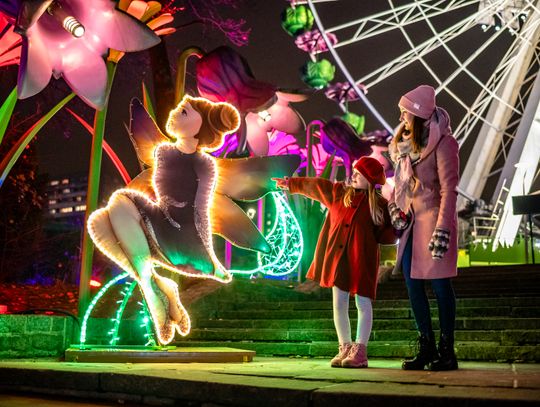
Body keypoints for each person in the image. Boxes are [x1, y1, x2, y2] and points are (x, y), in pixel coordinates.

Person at [274, 156, 396, 368]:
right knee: (338, 303)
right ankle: (344, 346)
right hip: (338, 259)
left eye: (359, 174)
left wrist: (399, 222)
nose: (354, 175)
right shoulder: (339, 193)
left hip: (362, 260)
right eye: (355, 172)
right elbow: (318, 186)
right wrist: (292, 184)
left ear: (370, 180)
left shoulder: (380, 205)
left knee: (362, 303)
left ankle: (360, 351)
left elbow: (387, 236)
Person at [388, 85, 460, 371]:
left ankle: (447, 350)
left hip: (433, 224)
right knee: (412, 286)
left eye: (405, 112)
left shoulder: (444, 144)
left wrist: (443, 230)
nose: (401, 118)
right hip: (411, 225)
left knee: (441, 286)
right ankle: (426, 345)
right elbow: (401, 187)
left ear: (417, 114)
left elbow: (449, 189)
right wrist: (396, 208)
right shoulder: (406, 148)